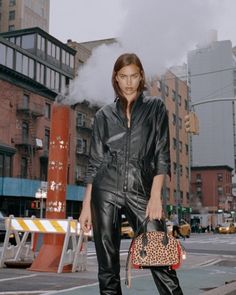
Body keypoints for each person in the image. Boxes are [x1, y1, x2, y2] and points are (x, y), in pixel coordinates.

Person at [79, 53, 183, 295]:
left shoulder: (155, 107)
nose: (128, 82)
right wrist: (86, 205)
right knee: (107, 268)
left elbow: (161, 154)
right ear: (116, 78)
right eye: (123, 76)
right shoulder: (103, 115)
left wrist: (155, 196)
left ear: (141, 77)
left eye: (133, 76)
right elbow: (94, 162)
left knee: (161, 260)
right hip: (105, 191)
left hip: (141, 191)